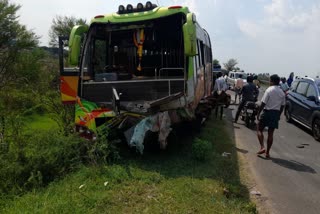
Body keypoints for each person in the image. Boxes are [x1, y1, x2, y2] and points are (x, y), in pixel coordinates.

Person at [256, 74, 286, 158]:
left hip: (267, 112)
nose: (269, 82)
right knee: (270, 133)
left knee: (259, 128)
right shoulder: (282, 92)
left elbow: (263, 103)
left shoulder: (269, 90)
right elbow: (283, 106)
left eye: (270, 80)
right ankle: (267, 153)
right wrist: (279, 115)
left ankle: (262, 147)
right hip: (275, 113)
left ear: (272, 81)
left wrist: (258, 113)